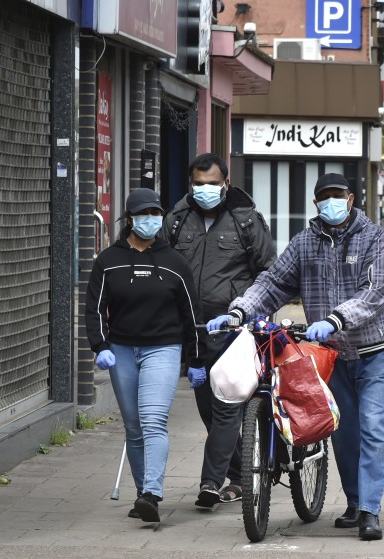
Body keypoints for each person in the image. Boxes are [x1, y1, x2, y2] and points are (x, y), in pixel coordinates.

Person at [207, 172, 384, 541]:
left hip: (377, 349)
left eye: (338, 195)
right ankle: (356, 502)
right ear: (315, 203)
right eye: (324, 197)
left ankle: (370, 511)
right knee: (340, 429)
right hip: (330, 355)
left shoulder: (376, 237)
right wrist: (239, 311)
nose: (331, 202)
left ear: (351, 198)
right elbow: (273, 282)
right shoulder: (305, 242)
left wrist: (335, 318)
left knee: (373, 427)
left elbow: (375, 290)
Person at [161, 153, 276, 510]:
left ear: (225, 183)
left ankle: (211, 483)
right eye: (199, 184)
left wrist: (251, 317)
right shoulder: (176, 222)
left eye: (213, 183)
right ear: (190, 184)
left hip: (233, 331)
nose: (206, 189)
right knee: (208, 409)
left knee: (226, 407)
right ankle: (243, 473)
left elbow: (270, 273)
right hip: (192, 333)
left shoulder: (245, 221)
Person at [85, 188, 204, 523]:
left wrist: (196, 361)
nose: (150, 220)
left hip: (163, 350)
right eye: (143, 214)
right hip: (121, 351)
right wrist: (100, 346)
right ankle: (142, 496)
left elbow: (190, 315)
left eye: (155, 214)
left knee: (153, 421)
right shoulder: (109, 261)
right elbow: (94, 310)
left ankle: (152, 492)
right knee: (134, 428)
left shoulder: (175, 263)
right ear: (130, 219)